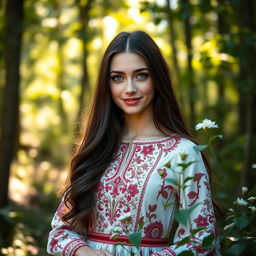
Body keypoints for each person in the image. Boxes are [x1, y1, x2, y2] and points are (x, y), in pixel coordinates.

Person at [47, 31, 220, 256]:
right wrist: (84, 252)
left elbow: (201, 240)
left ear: (157, 78)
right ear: (107, 84)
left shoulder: (183, 153)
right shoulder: (98, 147)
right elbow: (59, 232)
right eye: (117, 77)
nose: (129, 88)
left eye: (141, 75)